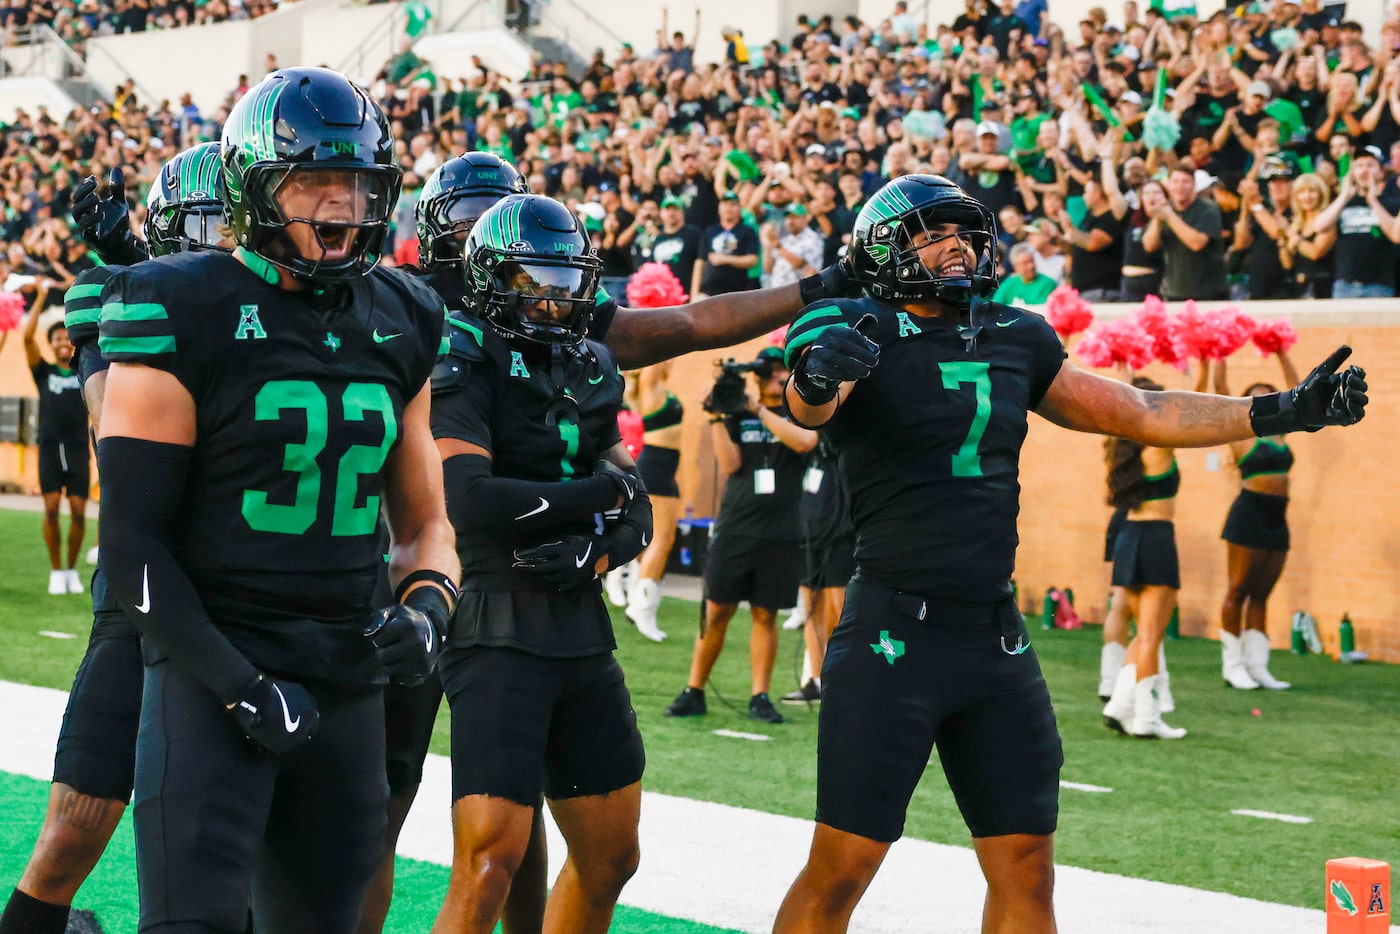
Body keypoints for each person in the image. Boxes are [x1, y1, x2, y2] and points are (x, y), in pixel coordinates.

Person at [771, 174, 1366, 934]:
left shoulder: (1017, 333)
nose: (958, 246)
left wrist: (1282, 410)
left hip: (993, 635)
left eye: (967, 232)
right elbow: (808, 405)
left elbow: (1141, 409)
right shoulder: (853, 322)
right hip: (894, 630)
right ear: (886, 246)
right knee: (843, 865)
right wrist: (818, 376)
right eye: (935, 232)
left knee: (1026, 865)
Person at [96, 67, 460, 932]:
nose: (340, 205)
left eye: (358, 184)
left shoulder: (403, 312)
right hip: (210, 668)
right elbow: (132, 546)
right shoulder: (180, 301)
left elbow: (426, 524)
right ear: (256, 191)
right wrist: (239, 685)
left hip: (343, 675)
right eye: (314, 181)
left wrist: (427, 611)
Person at [0, 143, 231, 934]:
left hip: (258, 600)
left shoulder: (302, 310)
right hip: (142, 597)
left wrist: (135, 260)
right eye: (204, 227)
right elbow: (114, 422)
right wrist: (131, 270)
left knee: (239, 853)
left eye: (231, 226)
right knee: (72, 829)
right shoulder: (115, 299)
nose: (222, 244)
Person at [428, 193, 651, 933]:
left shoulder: (588, 363)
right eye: (536, 281)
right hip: (494, 618)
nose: (554, 301)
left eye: (566, 281)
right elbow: (469, 497)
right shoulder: (462, 350)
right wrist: (595, 493)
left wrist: (598, 548)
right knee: (491, 858)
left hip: (579, 626)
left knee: (614, 856)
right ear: (492, 278)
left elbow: (639, 514)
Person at [666, 347, 817, 725]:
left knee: (765, 614)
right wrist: (718, 417)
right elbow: (730, 464)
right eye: (770, 374)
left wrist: (760, 411)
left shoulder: (800, 412)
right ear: (758, 377)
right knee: (716, 610)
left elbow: (804, 443)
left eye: (783, 373)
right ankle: (694, 690)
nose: (777, 380)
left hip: (781, 532)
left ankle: (760, 696)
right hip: (735, 528)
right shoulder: (735, 414)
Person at [1099, 375, 1190, 740]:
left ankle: (1121, 706)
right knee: (1152, 634)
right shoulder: (1159, 445)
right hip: (1154, 536)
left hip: (1130, 537)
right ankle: (1148, 718)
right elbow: (1189, 412)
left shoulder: (1120, 447)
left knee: (1144, 633)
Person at [1213, 352, 1300, 691]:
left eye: (1270, 392)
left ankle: (1258, 666)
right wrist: (1220, 350)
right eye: (1257, 394)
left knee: (1262, 593)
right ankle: (1232, 665)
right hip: (1248, 513)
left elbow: (1301, 390)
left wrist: (1281, 353)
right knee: (1238, 589)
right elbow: (1220, 390)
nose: (1265, 397)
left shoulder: (1282, 432)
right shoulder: (1241, 433)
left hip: (1278, 516)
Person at [22, 281, 87, 596]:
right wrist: (40, 298)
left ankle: (72, 569)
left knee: (77, 510)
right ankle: (56, 571)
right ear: (51, 344)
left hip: (77, 449)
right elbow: (26, 337)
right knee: (50, 509)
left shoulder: (83, 371)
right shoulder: (44, 372)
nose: (63, 341)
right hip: (49, 447)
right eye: (57, 338)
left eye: (67, 337)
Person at [623, 358, 684, 643]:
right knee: (659, 541)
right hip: (656, 465)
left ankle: (643, 601)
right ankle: (642, 608)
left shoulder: (662, 389)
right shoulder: (651, 387)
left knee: (666, 539)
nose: (671, 362)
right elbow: (652, 358)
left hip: (667, 467)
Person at [1142, 166, 1230, 301]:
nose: (1180, 186)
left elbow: (1197, 243)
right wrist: (1158, 219)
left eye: (1185, 182)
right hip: (1173, 292)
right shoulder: (1165, 209)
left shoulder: (1207, 209)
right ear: (1169, 186)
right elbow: (1149, 246)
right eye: (1175, 182)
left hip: (1209, 292)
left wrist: (1170, 216)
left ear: (1194, 185)